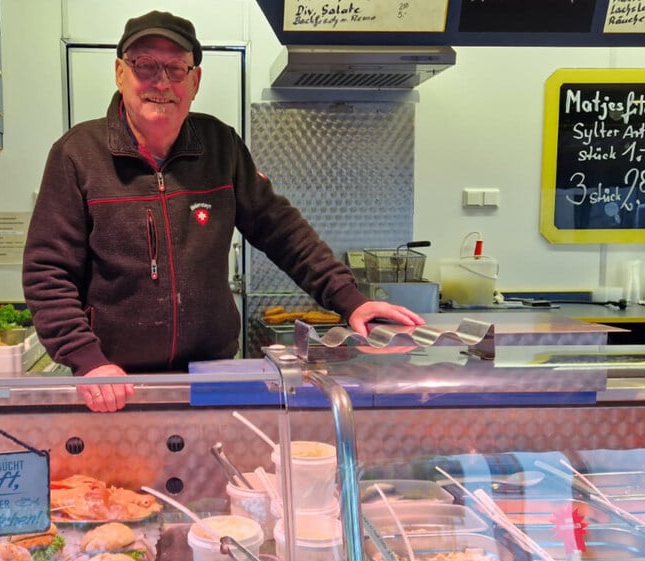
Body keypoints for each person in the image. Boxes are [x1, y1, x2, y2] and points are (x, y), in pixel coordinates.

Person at [22, 10, 424, 413]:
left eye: (176, 68)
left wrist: (351, 300)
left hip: (210, 374)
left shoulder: (221, 145)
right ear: (120, 73)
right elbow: (47, 272)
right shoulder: (77, 154)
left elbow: (282, 231)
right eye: (145, 66)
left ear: (194, 81)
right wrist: (87, 361)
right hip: (114, 382)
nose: (161, 82)